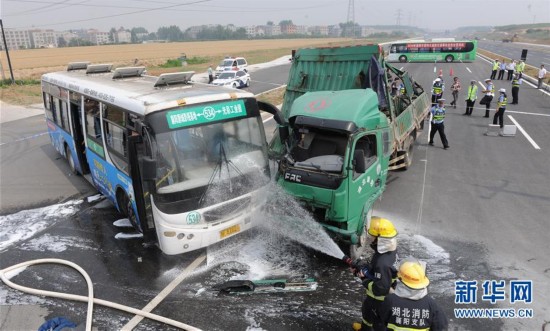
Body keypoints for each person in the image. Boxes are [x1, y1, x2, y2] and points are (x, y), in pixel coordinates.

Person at [351, 217, 398, 331]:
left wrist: (364, 279)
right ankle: (364, 328)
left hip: (378, 300)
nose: (370, 238)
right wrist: (368, 268)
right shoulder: (389, 251)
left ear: (381, 240)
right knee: (367, 313)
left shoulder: (382, 263)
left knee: (377, 321)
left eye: (373, 237)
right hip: (382, 296)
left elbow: (380, 289)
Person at [378, 258, 449, 331]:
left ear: (400, 280)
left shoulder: (390, 301)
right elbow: (441, 327)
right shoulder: (431, 305)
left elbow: (381, 322)